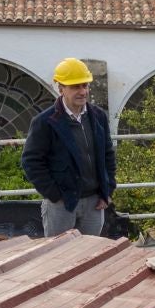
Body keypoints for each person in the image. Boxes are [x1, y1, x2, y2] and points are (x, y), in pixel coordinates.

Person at [21, 57, 116, 237]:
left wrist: (107, 190)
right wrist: (55, 195)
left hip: (94, 203)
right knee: (59, 256)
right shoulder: (45, 122)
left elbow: (108, 155)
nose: (82, 92)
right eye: (75, 87)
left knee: (89, 256)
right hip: (61, 205)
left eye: (85, 86)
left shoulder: (98, 117)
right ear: (61, 88)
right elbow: (31, 162)